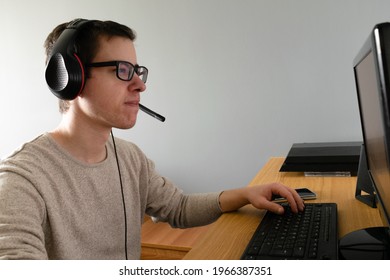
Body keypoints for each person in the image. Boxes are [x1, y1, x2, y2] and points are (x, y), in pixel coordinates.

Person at [0, 19, 304, 260]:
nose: (139, 86)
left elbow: (179, 207)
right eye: (122, 70)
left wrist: (247, 194)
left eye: (137, 71)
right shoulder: (21, 179)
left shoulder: (130, 158)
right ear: (69, 77)